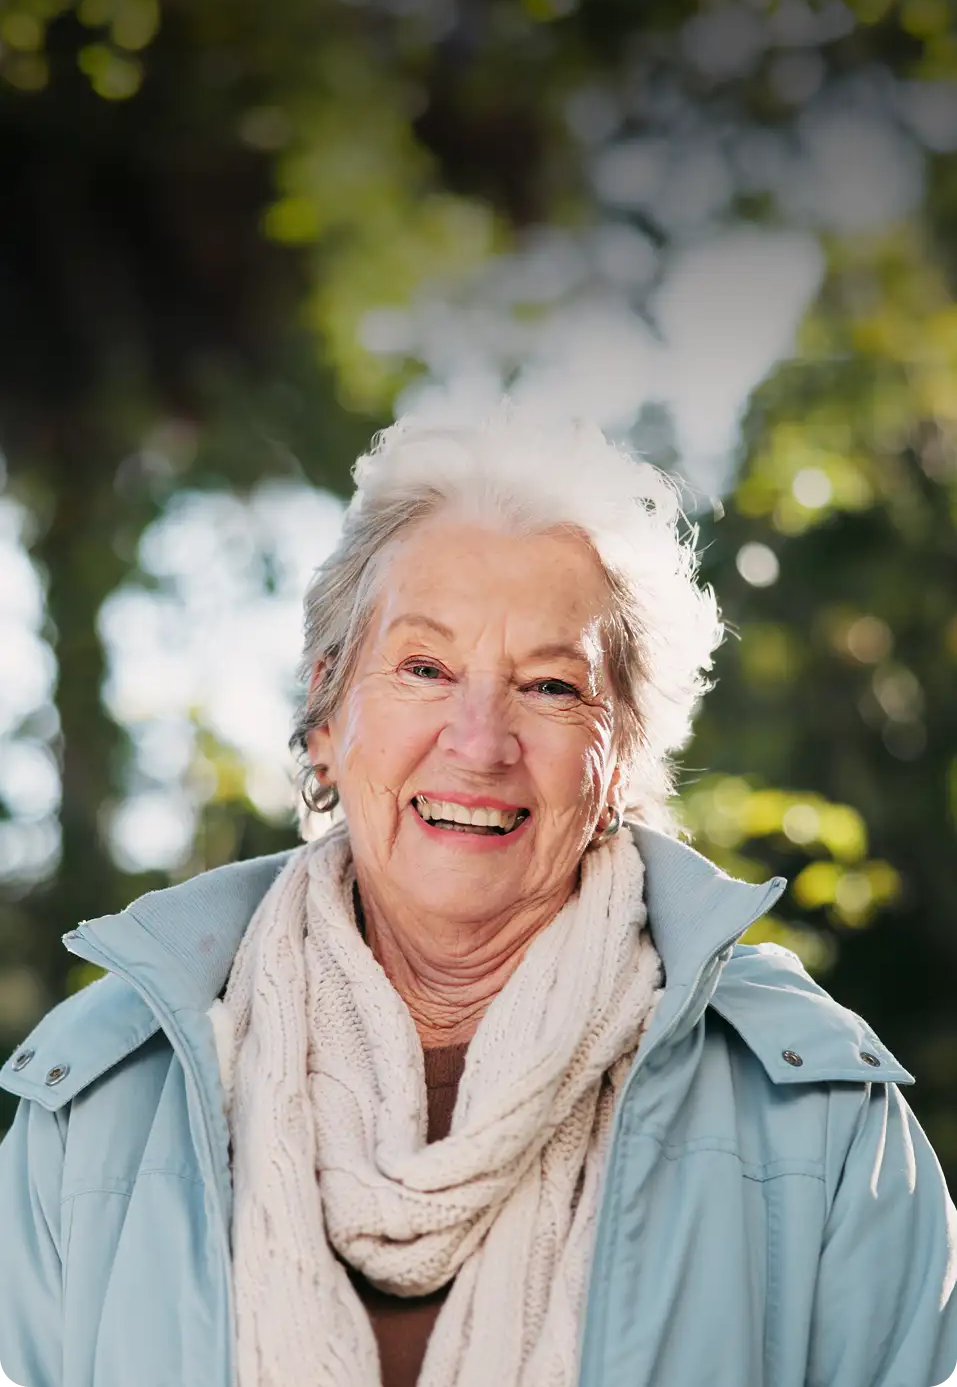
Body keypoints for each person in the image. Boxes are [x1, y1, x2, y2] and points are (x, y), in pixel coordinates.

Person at [1, 400, 955, 1387]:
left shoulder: (817, 1114)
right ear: (327, 715)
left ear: (624, 755)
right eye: (424, 668)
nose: (479, 741)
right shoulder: (99, 1094)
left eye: (551, 686)